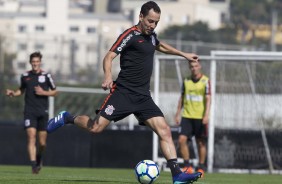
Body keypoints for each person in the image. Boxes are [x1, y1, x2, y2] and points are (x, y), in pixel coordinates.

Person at [47, 1, 201, 183]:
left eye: (156, 22)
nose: (153, 25)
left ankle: (177, 174)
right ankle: (67, 118)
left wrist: (184, 55)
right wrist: (107, 77)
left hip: (143, 96)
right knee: (96, 128)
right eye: (150, 21)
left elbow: (161, 46)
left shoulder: (152, 36)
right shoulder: (130, 35)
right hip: (123, 93)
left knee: (164, 130)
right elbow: (109, 56)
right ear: (141, 17)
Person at [6, 51, 57, 174]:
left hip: (43, 112)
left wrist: (44, 92)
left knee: (42, 143)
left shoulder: (46, 76)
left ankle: (39, 158)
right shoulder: (25, 76)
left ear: (40, 62)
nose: (35, 64)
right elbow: (21, 90)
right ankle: (34, 165)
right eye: (33, 62)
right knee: (31, 137)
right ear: (30, 63)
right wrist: (13, 93)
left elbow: (55, 92)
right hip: (29, 112)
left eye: (37, 62)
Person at [174, 61, 211, 177]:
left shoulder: (206, 81)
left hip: (200, 117)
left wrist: (206, 115)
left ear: (199, 66)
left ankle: (201, 167)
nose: (194, 68)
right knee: (181, 140)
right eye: (192, 66)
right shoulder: (186, 81)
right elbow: (182, 98)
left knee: (201, 142)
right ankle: (187, 165)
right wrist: (177, 113)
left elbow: (209, 99)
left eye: (196, 66)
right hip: (187, 116)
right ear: (190, 68)